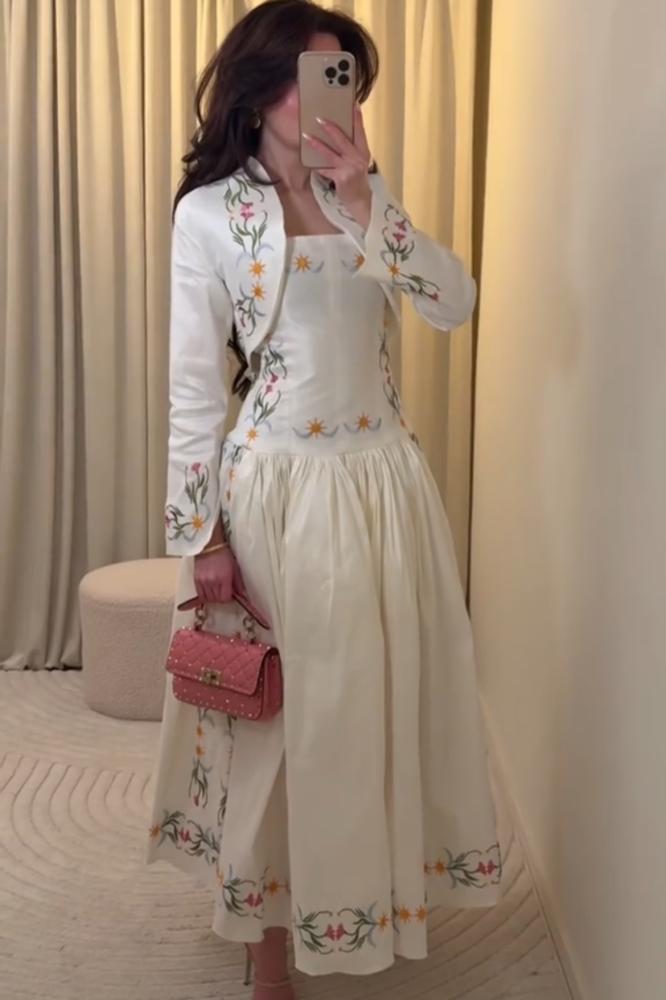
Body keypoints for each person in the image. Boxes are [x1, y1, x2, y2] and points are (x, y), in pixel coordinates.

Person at [145, 1, 503, 996]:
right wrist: (203, 536)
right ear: (262, 89)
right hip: (276, 497)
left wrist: (370, 200)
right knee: (279, 722)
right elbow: (192, 387)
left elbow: (454, 305)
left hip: (383, 488)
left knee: (364, 709)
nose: (327, 99)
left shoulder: (364, 198)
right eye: (312, 76)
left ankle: (353, 896)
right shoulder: (210, 214)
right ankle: (265, 939)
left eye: (341, 78)